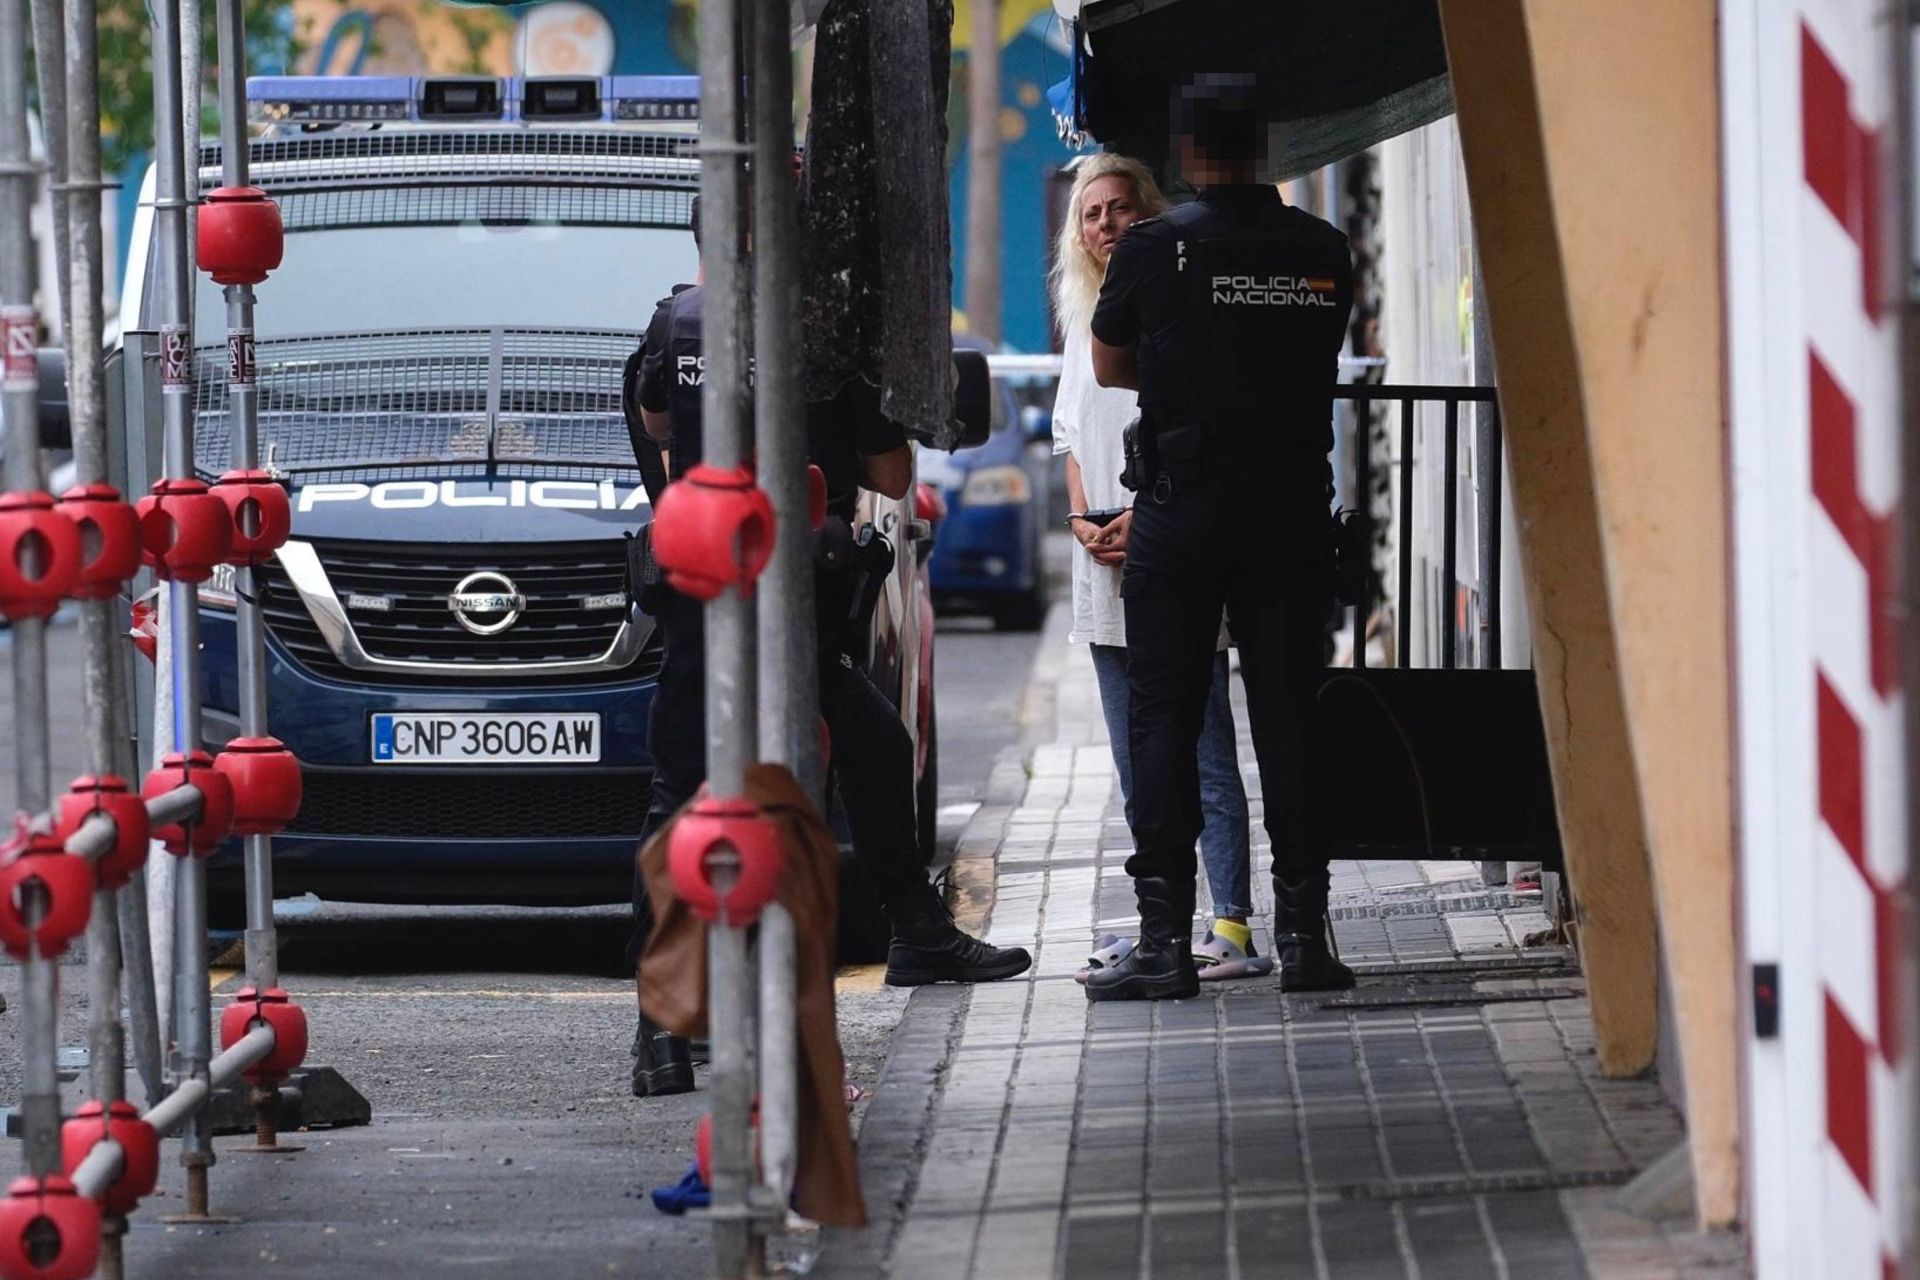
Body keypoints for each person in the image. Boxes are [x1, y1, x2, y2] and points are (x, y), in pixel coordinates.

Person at [623, 205, 1031, 1097]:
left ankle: (662, 1030)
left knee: (685, 791)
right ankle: (894, 944)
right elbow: (890, 476)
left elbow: (654, 426)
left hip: (701, 582)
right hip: (790, 584)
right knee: (842, 763)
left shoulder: (674, 322)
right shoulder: (825, 329)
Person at [1084, 74, 1355, 1001]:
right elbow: (1313, 357)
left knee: (1162, 716)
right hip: (1290, 510)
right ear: (1266, 148)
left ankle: (1164, 942)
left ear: (1190, 154)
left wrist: (1185, 363)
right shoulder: (1323, 248)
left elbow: (1110, 364)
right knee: (1291, 717)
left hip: (1183, 510)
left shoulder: (1153, 248)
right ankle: (1305, 939)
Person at [1048, 154, 1268, 981]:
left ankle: (1232, 925)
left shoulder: (1178, 304)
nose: (1106, 224)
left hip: (1175, 541)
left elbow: (1197, 428)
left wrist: (1146, 517)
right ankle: (1160, 927)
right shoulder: (1083, 319)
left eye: (1120, 207)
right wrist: (1083, 518)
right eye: (1092, 213)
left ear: (1150, 213)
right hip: (1103, 558)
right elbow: (1073, 439)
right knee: (1136, 760)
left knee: (1204, 747)